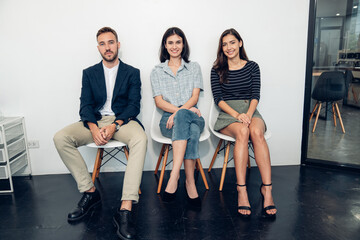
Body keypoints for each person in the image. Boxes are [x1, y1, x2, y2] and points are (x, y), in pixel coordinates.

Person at [53, 27, 147, 239]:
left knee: (140, 139)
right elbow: (85, 106)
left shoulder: (132, 72)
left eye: (111, 42)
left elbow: (134, 106)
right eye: (103, 43)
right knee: (61, 137)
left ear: (118, 45)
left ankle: (125, 207)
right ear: (98, 47)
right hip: (95, 121)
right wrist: (94, 128)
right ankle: (90, 192)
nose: (107, 47)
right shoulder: (89, 73)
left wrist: (115, 125)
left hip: (122, 121)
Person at [211, 28, 277, 218]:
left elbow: (255, 95)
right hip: (228, 113)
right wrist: (238, 116)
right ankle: (242, 190)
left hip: (250, 109)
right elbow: (219, 99)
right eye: (224, 44)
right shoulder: (217, 69)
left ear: (240, 43)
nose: (228, 47)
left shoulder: (252, 66)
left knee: (256, 133)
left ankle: (267, 190)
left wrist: (247, 114)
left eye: (232, 42)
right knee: (242, 132)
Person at [150, 27, 204, 208]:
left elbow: (195, 98)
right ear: (165, 46)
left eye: (178, 42)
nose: (174, 46)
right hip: (168, 120)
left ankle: (174, 176)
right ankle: (190, 182)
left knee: (189, 123)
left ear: (183, 44)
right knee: (192, 133)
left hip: (194, 114)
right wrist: (178, 112)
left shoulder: (194, 67)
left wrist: (182, 111)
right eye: (170, 42)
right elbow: (159, 102)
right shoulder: (157, 71)